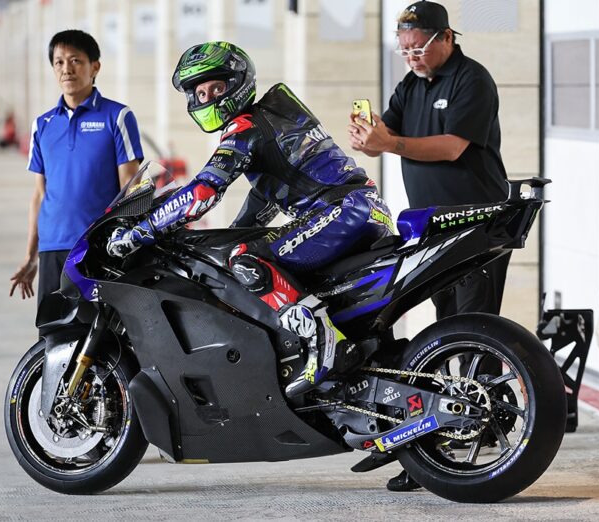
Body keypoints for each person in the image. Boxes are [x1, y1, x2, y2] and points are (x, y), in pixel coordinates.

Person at [106, 41, 394, 397]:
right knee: (245, 253)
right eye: (201, 93)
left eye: (217, 88)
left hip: (342, 212)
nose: (208, 98)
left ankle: (323, 342)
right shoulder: (272, 119)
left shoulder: (245, 128)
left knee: (244, 258)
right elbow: (261, 204)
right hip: (361, 209)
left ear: (238, 83)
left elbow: (203, 192)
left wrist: (141, 231)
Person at [347, 0, 510, 492]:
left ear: (447, 38)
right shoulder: (410, 85)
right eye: (404, 50)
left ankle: (483, 432)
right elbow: (389, 131)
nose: (412, 57)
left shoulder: (472, 80)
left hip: (476, 223)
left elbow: (453, 146)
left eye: (419, 48)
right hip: (433, 227)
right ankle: (441, 435)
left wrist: (389, 144)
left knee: (475, 329)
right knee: (443, 330)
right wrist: (369, 137)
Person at [9, 29, 144, 313]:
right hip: (53, 248)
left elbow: (130, 188)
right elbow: (39, 195)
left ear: (95, 67)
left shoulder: (117, 117)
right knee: (54, 333)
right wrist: (31, 255)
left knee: (99, 333)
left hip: (96, 248)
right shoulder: (42, 125)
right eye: (59, 62)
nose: (66, 69)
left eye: (75, 61)